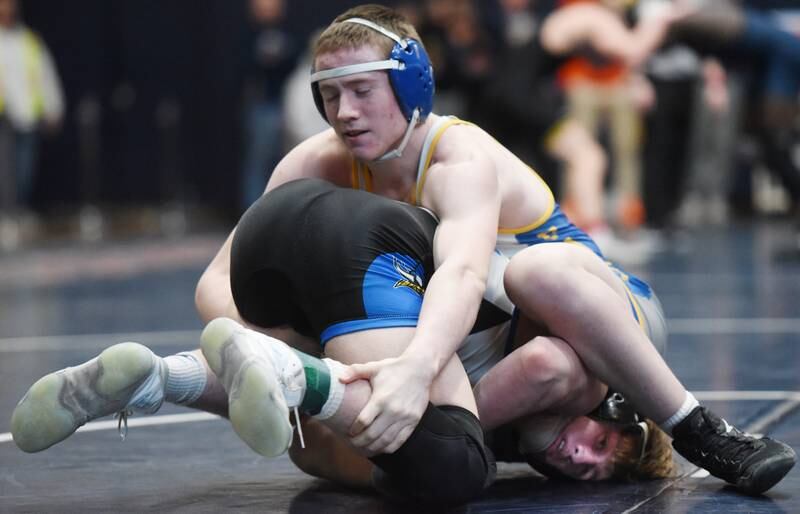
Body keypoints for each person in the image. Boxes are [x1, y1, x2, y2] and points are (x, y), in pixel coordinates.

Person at [12, 4, 796, 498]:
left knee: (535, 279)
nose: (343, 113)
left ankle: (700, 428)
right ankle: (164, 378)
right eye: (329, 95)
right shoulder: (316, 162)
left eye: (363, 91)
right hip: (488, 339)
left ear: (413, 87)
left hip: (597, 321)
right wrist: (260, 339)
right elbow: (222, 279)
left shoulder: (459, 157)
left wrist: (416, 370)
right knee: (344, 386)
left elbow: (462, 267)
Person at [11, 178, 671, 501]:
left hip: (286, 232)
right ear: (610, 402)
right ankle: (285, 371)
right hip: (376, 257)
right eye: (606, 441)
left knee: (321, 441)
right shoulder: (567, 365)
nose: (585, 458)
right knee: (444, 463)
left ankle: (159, 377)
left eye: (599, 467)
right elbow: (545, 365)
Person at [0, 0, 64, 249]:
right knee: (5, 171)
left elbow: (45, 75)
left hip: (28, 117)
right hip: (4, 117)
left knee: (24, 169)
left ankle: (20, 211)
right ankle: (7, 215)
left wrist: (53, 106)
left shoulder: (29, 41)